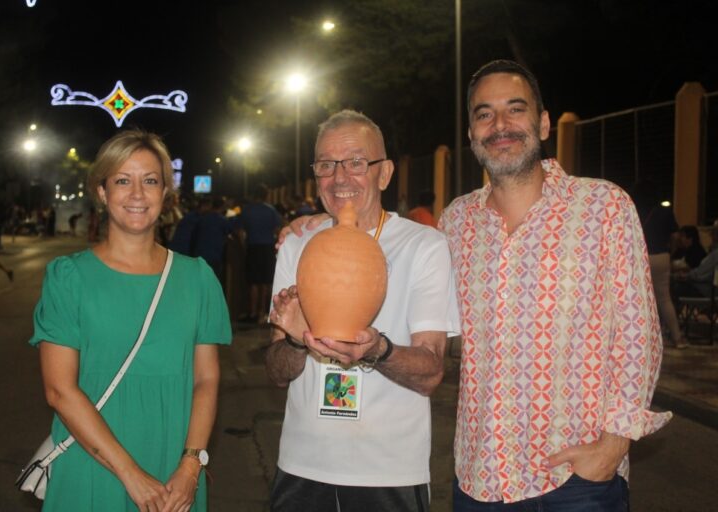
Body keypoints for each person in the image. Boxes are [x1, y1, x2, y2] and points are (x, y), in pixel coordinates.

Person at [439, 60, 670, 510]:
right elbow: (394, 271)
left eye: (515, 109)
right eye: (484, 114)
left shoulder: (602, 206)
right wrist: (324, 228)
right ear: (470, 133)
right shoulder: (455, 222)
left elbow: (637, 334)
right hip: (477, 479)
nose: (500, 125)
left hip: (574, 481)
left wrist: (613, 446)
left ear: (543, 122)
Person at [266, 110, 459, 512]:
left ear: (384, 173)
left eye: (356, 162)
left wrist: (376, 350)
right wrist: (299, 342)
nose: (340, 178)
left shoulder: (423, 246)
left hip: (389, 473)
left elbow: (431, 373)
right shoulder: (298, 246)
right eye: (326, 165)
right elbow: (277, 372)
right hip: (302, 467)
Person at [29, 129, 231, 512]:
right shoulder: (68, 277)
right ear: (102, 193)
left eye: (150, 181)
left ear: (165, 193)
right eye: (123, 180)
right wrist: (131, 475)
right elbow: (59, 390)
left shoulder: (197, 277)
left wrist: (191, 466)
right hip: (93, 465)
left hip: (176, 473)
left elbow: (206, 380)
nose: (137, 194)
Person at [631, 181, 686, 348]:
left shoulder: (635, 211)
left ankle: (644, 340)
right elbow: (676, 237)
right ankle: (677, 338)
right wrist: (671, 251)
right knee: (664, 298)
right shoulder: (665, 212)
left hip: (641, 257)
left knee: (640, 299)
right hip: (662, 256)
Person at [237, 184, 283, 323]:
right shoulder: (271, 210)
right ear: (266, 195)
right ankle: (262, 313)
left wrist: (243, 245)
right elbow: (278, 230)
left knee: (253, 282)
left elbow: (239, 231)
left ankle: (252, 312)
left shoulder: (247, 210)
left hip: (253, 247)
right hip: (267, 248)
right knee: (266, 282)